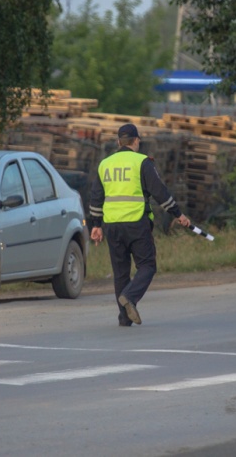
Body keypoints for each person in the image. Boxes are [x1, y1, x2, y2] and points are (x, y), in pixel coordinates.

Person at [89, 123, 190, 326]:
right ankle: (131, 297)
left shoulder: (104, 164)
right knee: (147, 266)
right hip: (136, 223)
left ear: (119, 142)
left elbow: (96, 197)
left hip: (112, 226)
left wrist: (96, 226)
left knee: (120, 272)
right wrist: (177, 214)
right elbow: (159, 191)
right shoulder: (142, 162)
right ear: (136, 141)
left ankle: (124, 318)